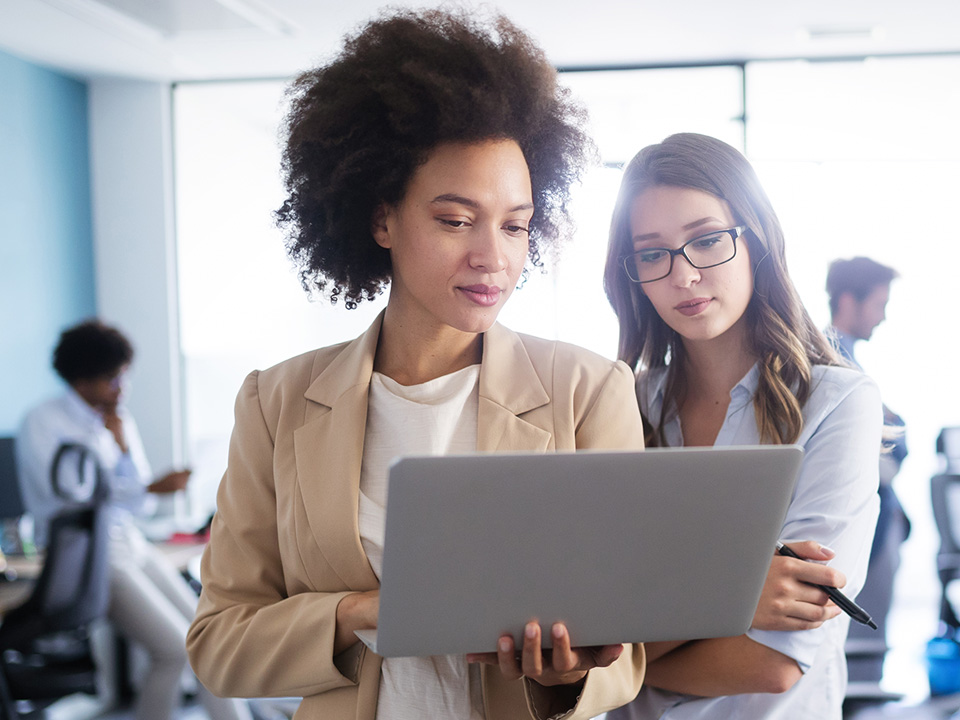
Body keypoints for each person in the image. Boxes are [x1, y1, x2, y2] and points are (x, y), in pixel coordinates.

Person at [185, 9, 646, 720]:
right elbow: (219, 643)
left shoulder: (587, 392)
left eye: (516, 224)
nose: (493, 256)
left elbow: (627, 655)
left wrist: (562, 676)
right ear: (381, 220)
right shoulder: (277, 402)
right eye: (457, 220)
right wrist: (359, 612)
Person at [602, 133, 881, 719]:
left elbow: (772, 664)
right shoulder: (621, 404)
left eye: (706, 240)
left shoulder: (837, 404)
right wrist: (736, 597)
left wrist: (619, 655)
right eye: (652, 253)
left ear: (756, 239)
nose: (683, 276)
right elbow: (581, 625)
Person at [16, 319, 251, 720]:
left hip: (130, 541)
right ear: (82, 379)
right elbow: (72, 499)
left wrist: (124, 448)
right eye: (112, 379)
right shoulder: (44, 422)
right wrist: (147, 487)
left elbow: (138, 507)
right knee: (172, 650)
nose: (121, 388)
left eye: (123, 376)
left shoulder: (118, 419)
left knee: (208, 635)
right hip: (91, 554)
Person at [827, 256, 909, 684]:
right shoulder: (831, 362)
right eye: (879, 303)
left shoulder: (849, 360)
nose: (883, 315)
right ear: (848, 300)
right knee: (859, 646)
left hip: (879, 522)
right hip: (865, 528)